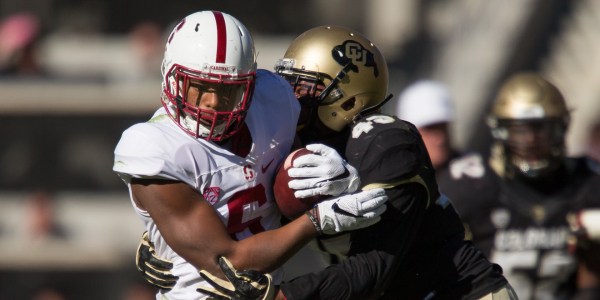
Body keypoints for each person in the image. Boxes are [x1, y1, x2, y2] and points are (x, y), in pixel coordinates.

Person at [137, 25, 516, 300]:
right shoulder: (289, 145)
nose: (287, 95)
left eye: (301, 87)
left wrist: (281, 297)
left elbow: (373, 270)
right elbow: (254, 215)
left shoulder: (386, 141)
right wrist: (179, 243)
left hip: (462, 292)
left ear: (348, 96)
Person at [113, 11, 388, 299]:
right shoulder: (153, 147)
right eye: (201, 88)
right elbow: (229, 262)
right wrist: (316, 220)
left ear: (249, 85)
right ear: (172, 78)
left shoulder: (273, 99)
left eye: (227, 91)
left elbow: (292, 183)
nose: (213, 103)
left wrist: (336, 176)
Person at [436, 72, 600, 299]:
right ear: (500, 130)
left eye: (541, 128)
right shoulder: (471, 183)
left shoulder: (587, 182)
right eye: (520, 130)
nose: (531, 141)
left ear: (561, 127)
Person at [395, 79, 460, 173]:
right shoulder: (389, 180)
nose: (440, 139)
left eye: (442, 127)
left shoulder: (476, 177)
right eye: (429, 129)